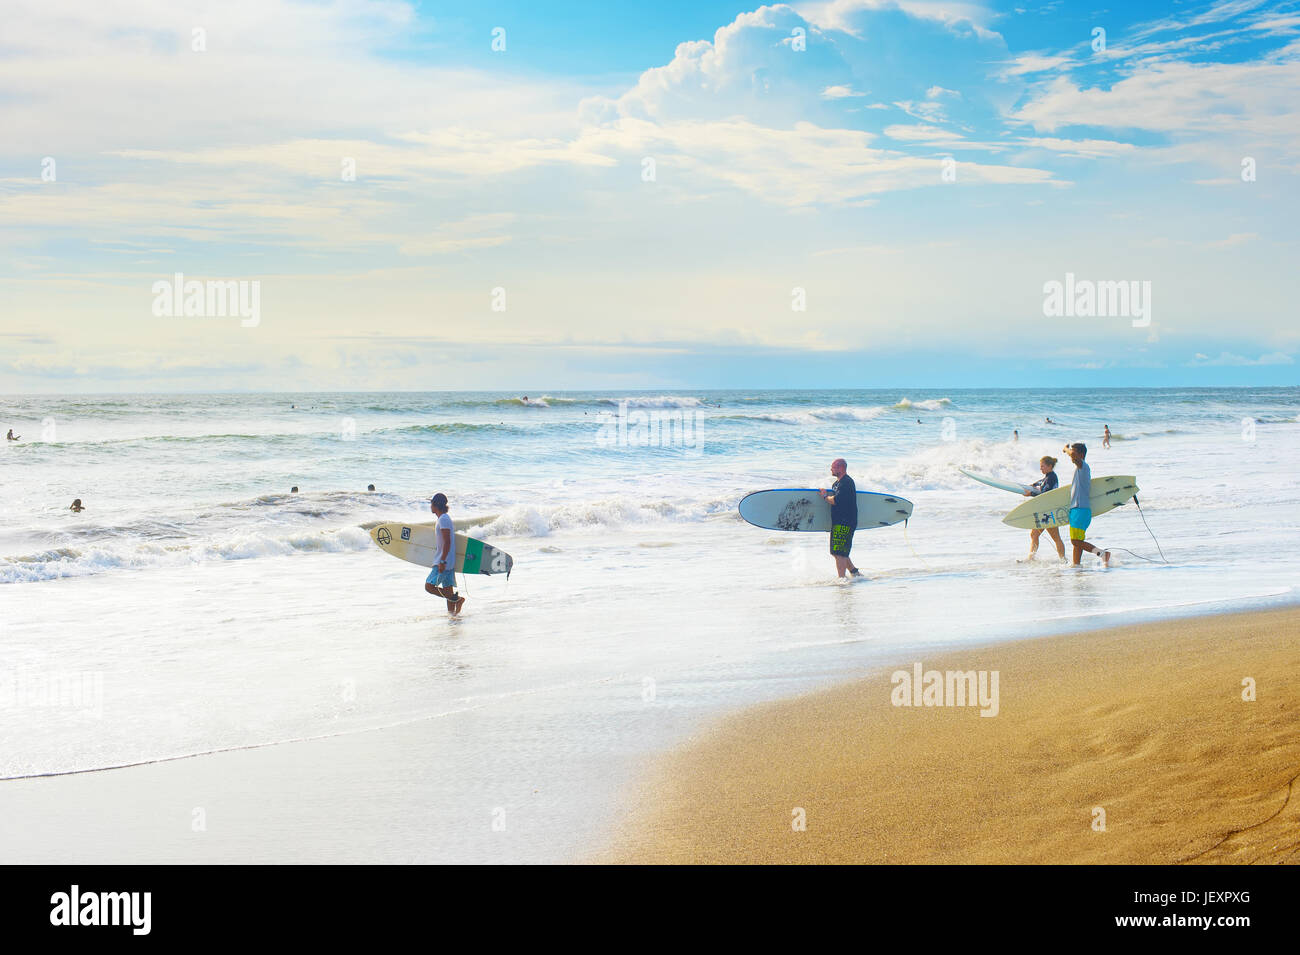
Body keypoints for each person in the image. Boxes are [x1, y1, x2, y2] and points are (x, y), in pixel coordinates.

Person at [1063, 443, 1109, 568]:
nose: (1072, 455)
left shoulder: (1083, 467)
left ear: (1081, 455)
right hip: (1078, 509)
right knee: (1077, 542)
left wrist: (1065, 449)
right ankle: (1076, 565)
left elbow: (1072, 455)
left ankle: (1102, 554)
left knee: (1075, 541)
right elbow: (1073, 456)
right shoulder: (1080, 469)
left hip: (1080, 509)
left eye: (1074, 452)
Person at [819, 458, 862, 579]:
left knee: (839, 553)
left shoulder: (847, 482)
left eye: (833, 467)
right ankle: (854, 572)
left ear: (841, 468)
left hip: (846, 522)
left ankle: (841, 579)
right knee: (837, 552)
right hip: (838, 521)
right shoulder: (836, 484)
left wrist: (824, 496)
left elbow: (835, 501)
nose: (831, 469)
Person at [424, 492, 465, 614]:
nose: (430, 506)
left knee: (429, 587)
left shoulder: (443, 519)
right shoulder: (443, 519)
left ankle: (457, 600)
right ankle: (452, 618)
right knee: (447, 589)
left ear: (436, 505)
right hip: (447, 561)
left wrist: (442, 561)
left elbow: (447, 541)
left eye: (431, 503)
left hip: (444, 561)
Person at [1022, 457, 1064, 561]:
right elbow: (1039, 483)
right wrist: (1032, 486)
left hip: (1048, 512)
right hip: (1045, 510)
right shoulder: (1048, 477)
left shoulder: (1051, 478)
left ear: (1049, 466)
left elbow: (1045, 493)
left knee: (1056, 537)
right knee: (1034, 534)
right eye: (1040, 466)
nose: (1040, 468)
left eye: (1042, 466)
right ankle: (1031, 558)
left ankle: (1063, 560)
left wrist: (1031, 493)